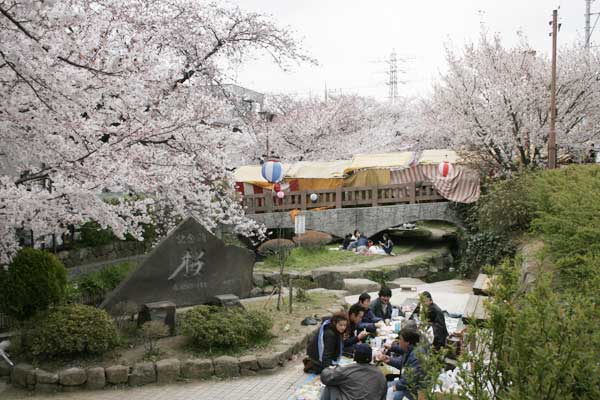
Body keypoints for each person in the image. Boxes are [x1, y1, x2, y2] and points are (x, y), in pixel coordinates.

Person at [320, 343, 387, 400]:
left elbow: (325, 377)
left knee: (330, 386)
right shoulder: (380, 374)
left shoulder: (349, 369)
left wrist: (330, 368)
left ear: (355, 355)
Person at [379, 328, 425, 400]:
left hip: (414, 388)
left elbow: (410, 378)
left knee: (394, 395)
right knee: (384, 387)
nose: (399, 342)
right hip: (406, 383)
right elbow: (403, 363)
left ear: (407, 342)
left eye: (400, 339)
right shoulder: (410, 349)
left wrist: (396, 387)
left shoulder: (416, 356)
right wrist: (390, 360)